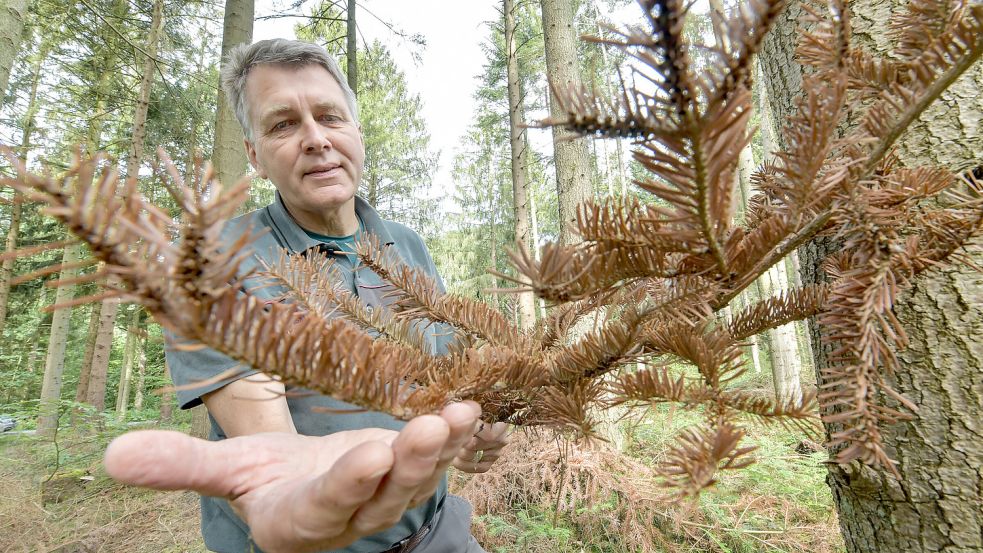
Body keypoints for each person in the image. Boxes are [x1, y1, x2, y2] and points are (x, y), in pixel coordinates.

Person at [102, 38, 510, 553]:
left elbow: (453, 377)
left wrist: (477, 428)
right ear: (254, 154)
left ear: (357, 132)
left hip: (440, 534)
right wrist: (293, 495)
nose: (316, 139)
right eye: (283, 124)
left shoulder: (406, 244)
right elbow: (273, 452)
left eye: (329, 116)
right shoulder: (211, 259)